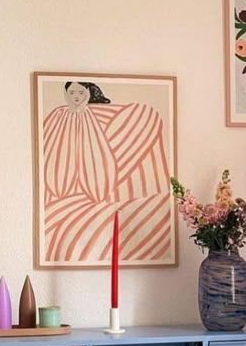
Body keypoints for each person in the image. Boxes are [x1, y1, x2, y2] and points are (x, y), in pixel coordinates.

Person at [42, 81, 172, 264]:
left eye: (80, 91)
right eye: (71, 92)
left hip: (103, 193)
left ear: (88, 92)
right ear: (65, 94)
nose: (76, 96)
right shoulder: (57, 118)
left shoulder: (130, 117)